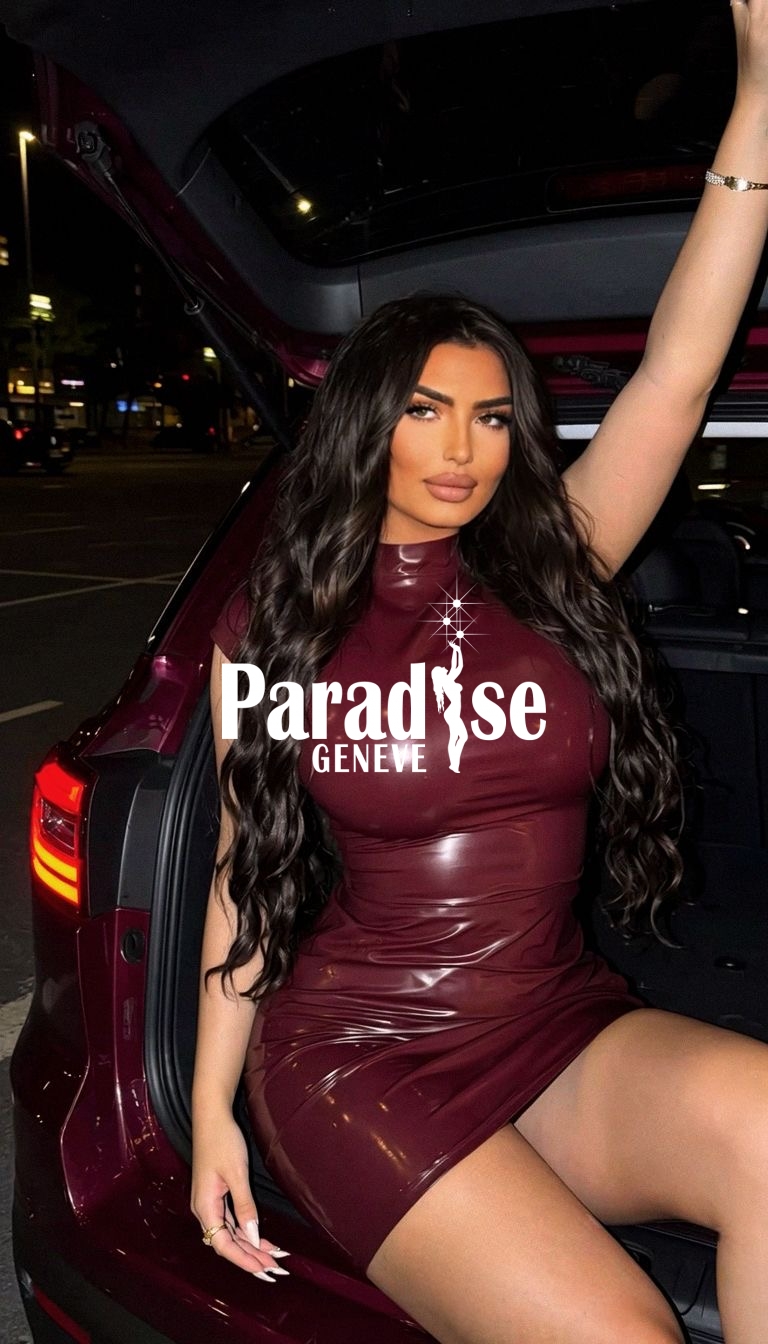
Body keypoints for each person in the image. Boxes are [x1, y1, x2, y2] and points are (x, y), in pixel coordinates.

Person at [191, 4, 768, 1339]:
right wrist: (213, 1108)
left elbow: (678, 373)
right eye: (426, 411)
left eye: (494, 416)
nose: (464, 450)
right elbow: (240, 876)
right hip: (357, 1062)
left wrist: (756, 103)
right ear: (367, 426)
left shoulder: (555, 562)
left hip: (553, 1024)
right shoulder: (273, 631)